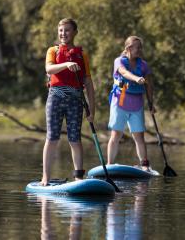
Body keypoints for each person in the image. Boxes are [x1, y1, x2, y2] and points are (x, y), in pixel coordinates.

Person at [40, 18, 95, 186]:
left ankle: (78, 177)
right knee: (52, 138)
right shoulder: (52, 51)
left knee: (74, 139)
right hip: (55, 98)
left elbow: (88, 83)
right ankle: (45, 177)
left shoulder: (82, 55)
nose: (63, 33)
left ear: (75, 33)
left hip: (75, 100)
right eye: (61, 30)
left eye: (67, 30)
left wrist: (92, 109)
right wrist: (66, 64)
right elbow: (49, 69)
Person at [107, 36, 154, 171]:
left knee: (139, 136)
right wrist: (136, 78)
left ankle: (145, 165)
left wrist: (151, 103)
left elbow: (149, 85)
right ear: (128, 49)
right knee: (116, 135)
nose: (140, 50)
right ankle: (109, 165)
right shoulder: (119, 61)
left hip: (137, 104)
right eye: (137, 47)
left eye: (141, 47)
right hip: (120, 102)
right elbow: (123, 72)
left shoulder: (144, 65)